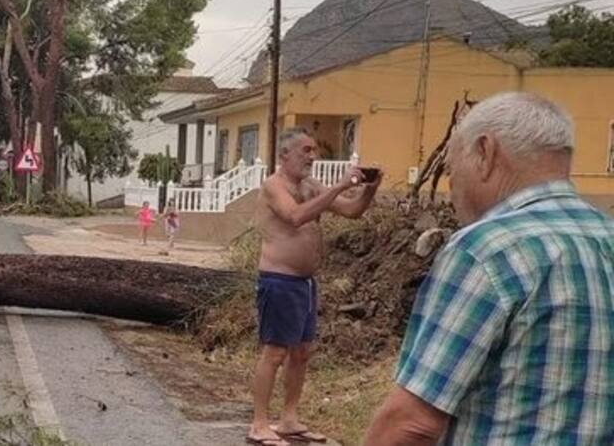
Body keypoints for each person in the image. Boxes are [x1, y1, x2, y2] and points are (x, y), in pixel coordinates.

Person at [363, 93, 614, 445]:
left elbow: (411, 425)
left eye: (451, 169)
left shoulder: (486, 251)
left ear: (485, 152)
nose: (451, 189)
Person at [248, 127, 379, 446]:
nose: (312, 156)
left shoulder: (310, 186)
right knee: (275, 352)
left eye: (314, 150)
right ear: (284, 155)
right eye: (305, 151)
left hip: (305, 283)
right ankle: (259, 423)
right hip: (279, 280)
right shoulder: (273, 186)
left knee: (302, 352)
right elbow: (294, 217)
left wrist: (370, 189)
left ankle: (289, 419)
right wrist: (339, 186)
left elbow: (351, 211)